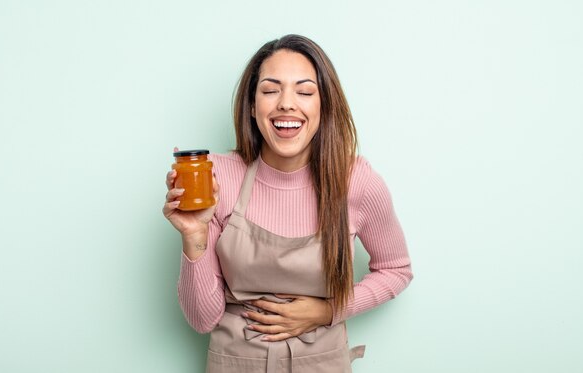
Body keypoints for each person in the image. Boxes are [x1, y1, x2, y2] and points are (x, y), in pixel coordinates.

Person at [163, 34, 413, 373]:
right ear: (252, 106)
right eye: (270, 90)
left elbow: (396, 270)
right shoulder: (218, 177)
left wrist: (328, 310)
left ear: (324, 106)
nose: (286, 104)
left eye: (305, 91)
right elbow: (202, 320)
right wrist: (194, 234)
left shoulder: (356, 180)